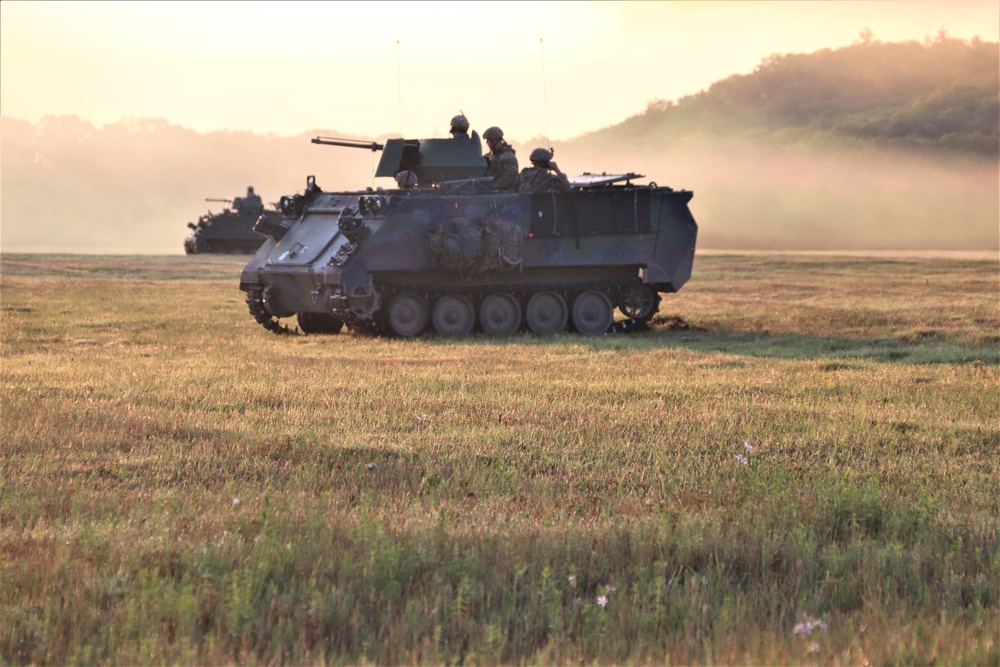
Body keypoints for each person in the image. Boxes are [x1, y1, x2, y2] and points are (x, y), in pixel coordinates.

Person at [482, 126, 518, 191]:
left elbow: (509, 177)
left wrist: (493, 187)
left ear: (495, 140)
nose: (487, 142)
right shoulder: (489, 156)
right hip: (492, 192)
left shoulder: (508, 157)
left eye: (488, 140)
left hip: (505, 194)